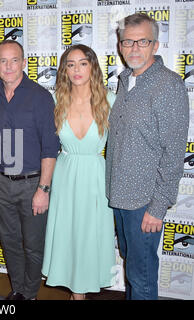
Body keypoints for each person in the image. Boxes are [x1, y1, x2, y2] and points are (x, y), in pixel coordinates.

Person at [106, 13, 189, 300]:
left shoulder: (168, 85)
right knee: (132, 271)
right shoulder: (125, 80)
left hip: (144, 201)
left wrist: (158, 206)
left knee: (141, 279)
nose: (133, 48)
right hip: (119, 196)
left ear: (155, 45)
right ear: (120, 45)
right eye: (127, 41)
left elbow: (174, 152)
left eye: (142, 41)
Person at [41, 45, 116, 300]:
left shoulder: (111, 100)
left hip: (96, 177)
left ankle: (79, 294)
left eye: (82, 63)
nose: (76, 70)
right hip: (65, 177)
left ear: (93, 66)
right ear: (64, 70)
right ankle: (77, 295)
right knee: (69, 236)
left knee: (89, 236)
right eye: (70, 64)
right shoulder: (54, 102)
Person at [0, 40, 60, 300]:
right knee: (9, 242)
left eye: (14, 60)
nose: (9, 66)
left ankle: (29, 293)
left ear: (24, 62)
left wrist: (43, 188)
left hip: (32, 183)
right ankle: (17, 289)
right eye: (3, 61)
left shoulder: (40, 96)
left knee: (32, 245)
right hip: (0, 181)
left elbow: (50, 148)